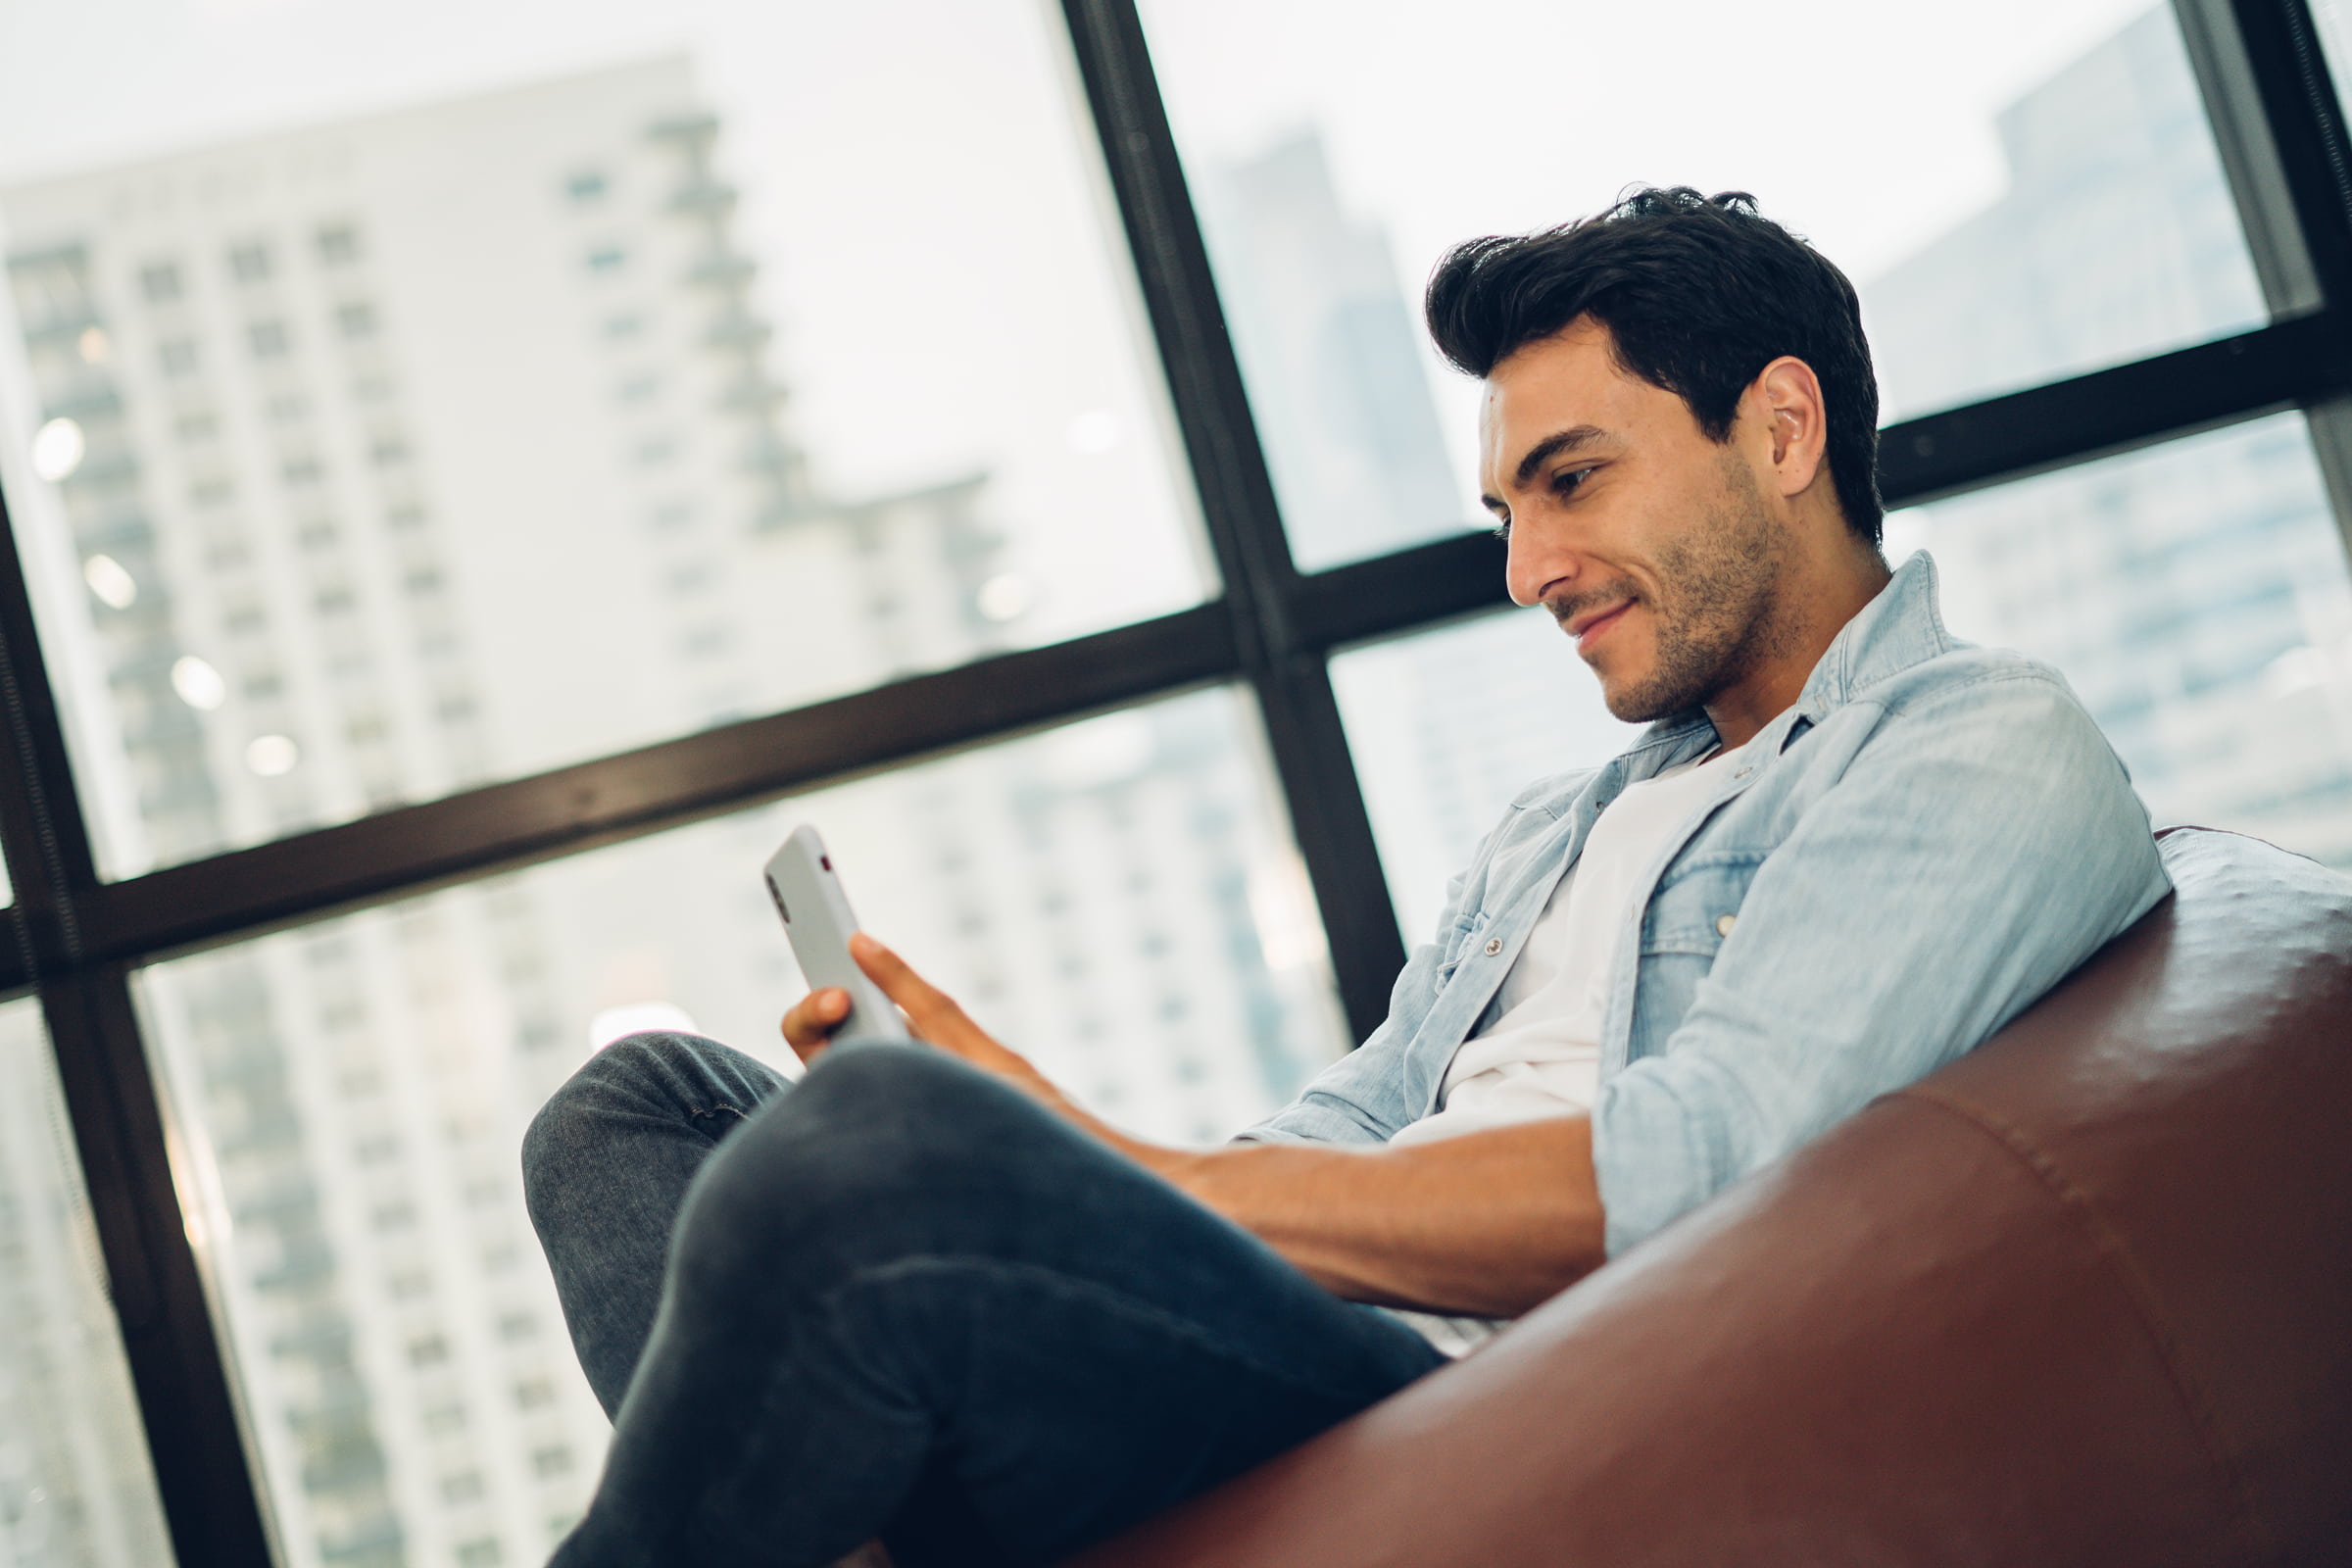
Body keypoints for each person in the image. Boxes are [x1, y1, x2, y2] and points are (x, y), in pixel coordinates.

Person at [523, 188, 2170, 1567]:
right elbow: (1354, 1122)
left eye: (1572, 480)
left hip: (1455, 1391)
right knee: (637, 1107)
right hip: (1298, 1327)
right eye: (1507, 508)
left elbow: (1692, 1166)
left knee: (879, 1148)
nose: (1527, 570)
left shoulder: (1970, 744)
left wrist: (1098, 1170)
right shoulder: (1562, 824)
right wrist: (1048, 1151)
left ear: (1784, 427)